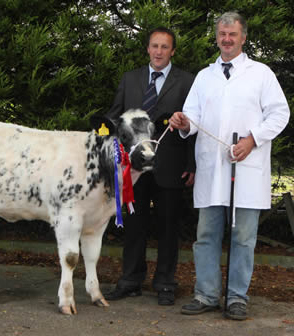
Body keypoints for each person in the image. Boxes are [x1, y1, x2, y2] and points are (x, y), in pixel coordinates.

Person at [169, 12, 290, 320]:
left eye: (232, 34)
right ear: (217, 36)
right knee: (207, 235)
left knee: (243, 238)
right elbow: (191, 116)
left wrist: (253, 140)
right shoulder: (204, 76)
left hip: (246, 171)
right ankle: (207, 294)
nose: (226, 39)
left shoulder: (261, 74)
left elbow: (279, 114)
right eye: (222, 34)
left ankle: (237, 297)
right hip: (212, 171)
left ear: (243, 37)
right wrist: (184, 122)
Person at [104, 27, 195, 306]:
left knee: (168, 227)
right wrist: (113, 154)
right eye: (154, 46)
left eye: (165, 47)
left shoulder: (187, 81)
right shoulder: (130, 79)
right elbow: (115, 116)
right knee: (134, 225)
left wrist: (192, 163)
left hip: (170, 164)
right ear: (147, 48)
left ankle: (165, 282)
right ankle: (131, 280)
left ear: (173, 51)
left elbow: (195, 124)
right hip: (134, 167)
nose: (159, 51)